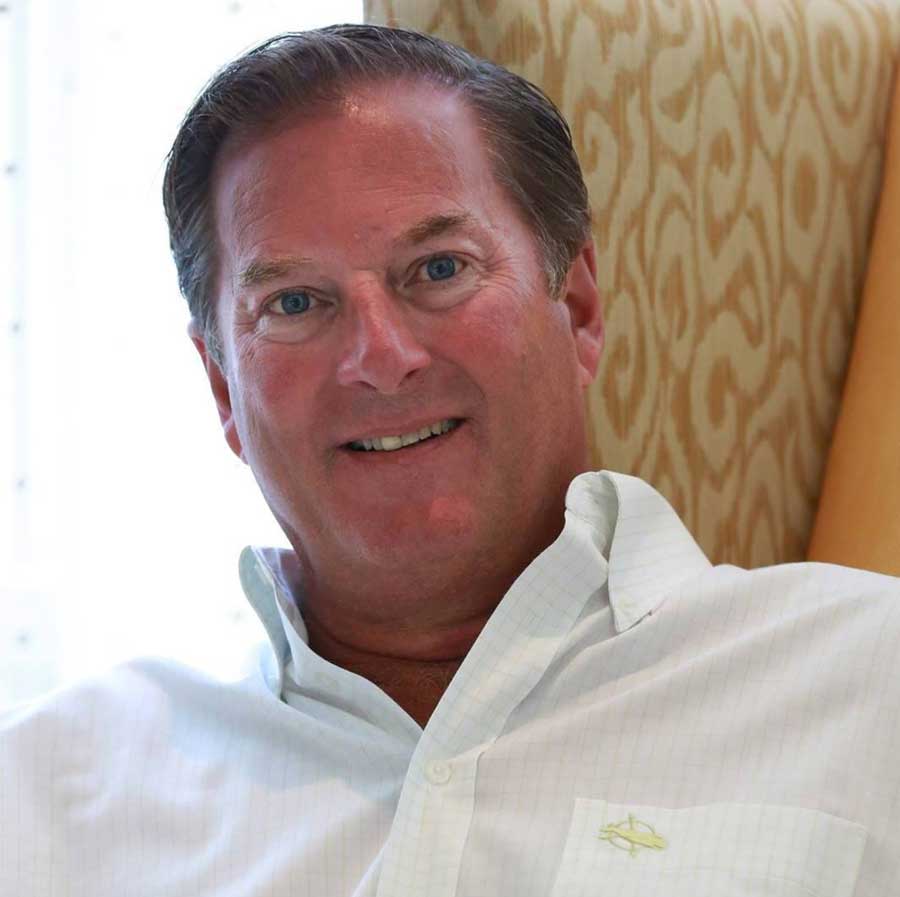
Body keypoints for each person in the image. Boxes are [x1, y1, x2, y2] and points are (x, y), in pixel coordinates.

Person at [2, 23, 899, 897]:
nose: (381, 357)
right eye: (297, 302)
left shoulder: (869, 683)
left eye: (438, 269)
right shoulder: (49, 794)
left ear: (579, 308)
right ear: (223, 389)